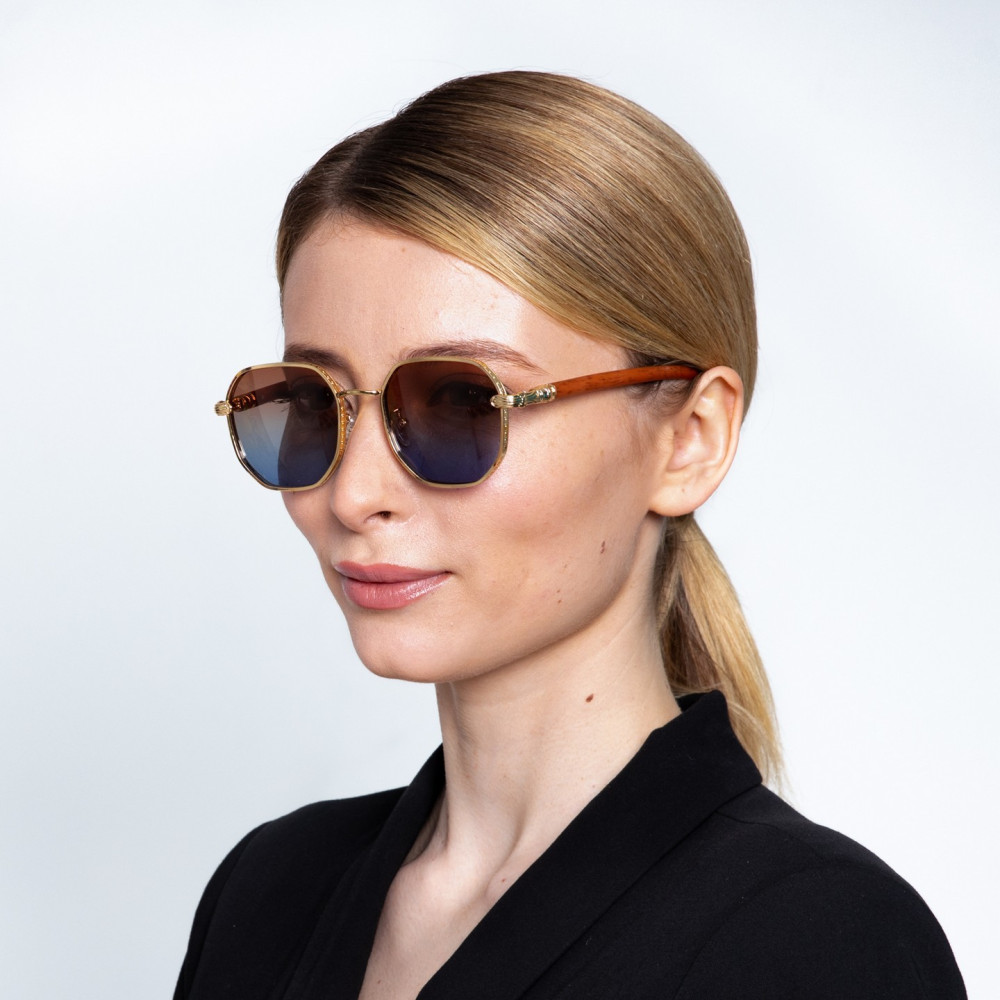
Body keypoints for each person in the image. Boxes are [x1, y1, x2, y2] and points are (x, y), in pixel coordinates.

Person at [175, 71, 965, 999]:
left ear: (689, 438)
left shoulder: (818, 942)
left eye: (462, 402)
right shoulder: (271, 891)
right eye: (313, 406)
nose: (353, 494)